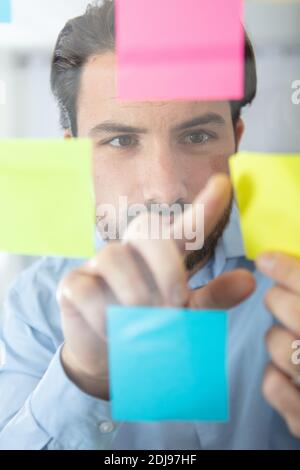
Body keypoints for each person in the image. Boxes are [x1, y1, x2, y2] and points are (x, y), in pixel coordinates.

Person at [0, 0, 299, 450]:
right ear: (75, 157)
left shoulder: (291, 278)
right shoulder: (33, 309)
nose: (164, 190)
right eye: (121, 140)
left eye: (197, 136)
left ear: (236, 141)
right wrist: (85, 377)